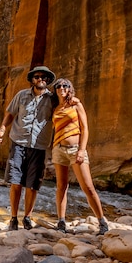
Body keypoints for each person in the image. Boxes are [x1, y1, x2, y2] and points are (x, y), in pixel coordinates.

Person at [0, 66, 57, 231]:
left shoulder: (53, 99)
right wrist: (2, 129)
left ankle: (27, 217)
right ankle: (13, 218)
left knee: (32, 185)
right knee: (16, 183)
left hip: (39, 147)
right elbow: (10, 114)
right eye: (37, 76)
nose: (40, 79)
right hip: (18, 143)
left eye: (44, 77)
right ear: (32, 79)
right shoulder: (21, 95)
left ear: (48, 80)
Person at [52, 77, 109, 235]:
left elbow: (85, 128)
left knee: (88, 187)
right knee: (61, 187)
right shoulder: (56, 109)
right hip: (58, 149)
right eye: (58, 86)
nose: (61, 88)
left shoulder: (76, 104)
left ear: (70, 88)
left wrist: (82, 151)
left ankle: (102, 222)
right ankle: (61, 221)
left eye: (65, 85)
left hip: (75, 149)